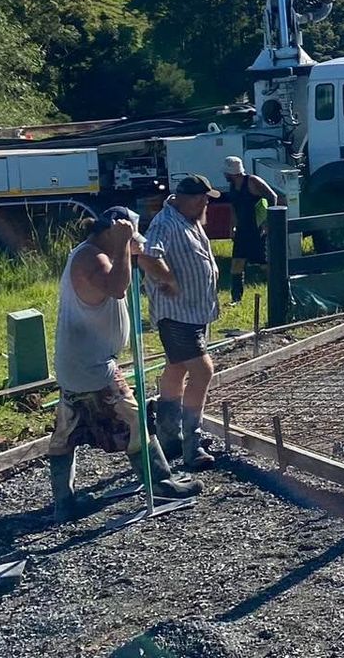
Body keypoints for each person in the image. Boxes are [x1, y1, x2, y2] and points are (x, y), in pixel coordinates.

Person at [47, 207, 199, 520]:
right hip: (94, 366)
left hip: (78, 361)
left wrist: (155, 270)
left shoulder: (95, 252)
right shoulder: (94, 257)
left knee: (66, 431)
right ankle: (161, 482)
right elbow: (117, 288)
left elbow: (138, 257)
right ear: (109, 233)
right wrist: (121, 246)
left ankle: (64, 502)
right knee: (135, 421)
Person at [143, 176, 223, 471]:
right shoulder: (166, 222)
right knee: (203, 371)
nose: (206, 204)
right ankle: (193, 443)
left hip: (192, 312)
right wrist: (168, 280)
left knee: (176, 369)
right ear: (185, 198)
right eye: (202, 199)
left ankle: (169, 437)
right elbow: (149, 256)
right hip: (177, 313)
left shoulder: (188, 220)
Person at [221, 156, 278, 305]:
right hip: (242, 230)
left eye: (226, 173)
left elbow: (273, 197)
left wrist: (268, 221)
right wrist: (231, 227)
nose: (224, 175)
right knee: (236, 264)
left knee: (264, 264)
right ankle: (236, 299)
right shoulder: (233, 186)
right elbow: (233, 207)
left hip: (257, 229)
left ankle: (279, 292)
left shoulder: (252, 181)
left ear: (232, 173)